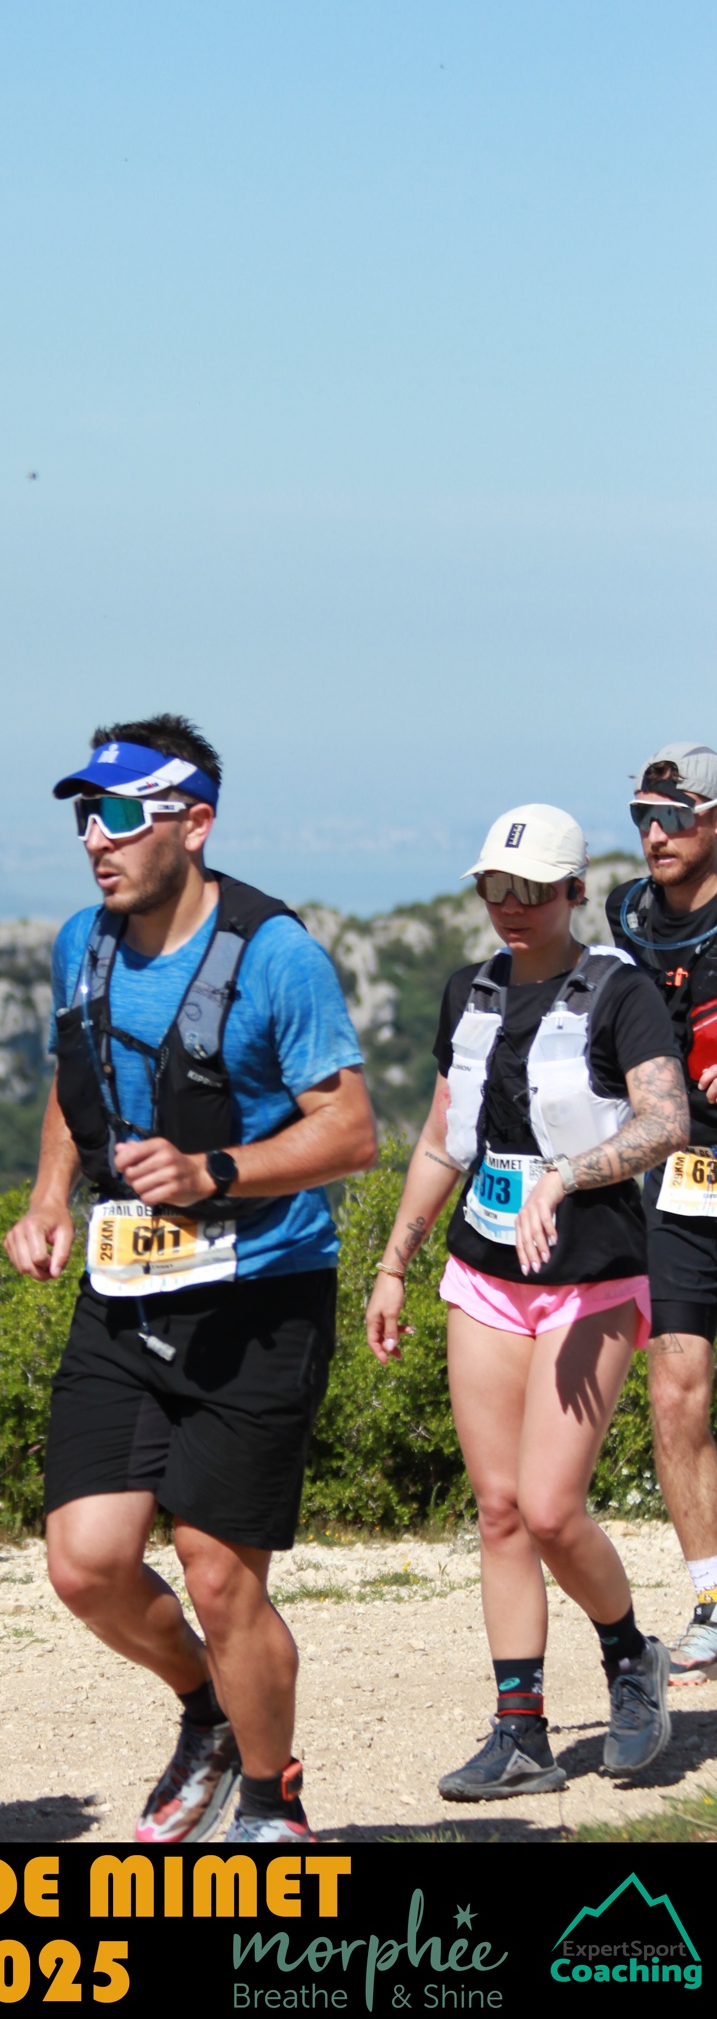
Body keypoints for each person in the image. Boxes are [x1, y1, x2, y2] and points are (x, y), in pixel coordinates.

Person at [4, 715, 376, 1845]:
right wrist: (47, 1198)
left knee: (219, 1575)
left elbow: (352, 1131)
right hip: (125, 1288)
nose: (94, 838)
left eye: (121, 814)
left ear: (195, 822)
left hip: (260, 1294)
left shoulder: (274, 954)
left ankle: (272, 1806)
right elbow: (76, 1081)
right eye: (86, 814)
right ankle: (209, 1708)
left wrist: (217, 1169)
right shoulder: (83, 942)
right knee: (86, 1564)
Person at [366, 805, 688, 1800]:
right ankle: (520, 1734)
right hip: (483, 1275)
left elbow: (665, 1119)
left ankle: (631, 1655)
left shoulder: (620, 992)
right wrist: (393, 1262)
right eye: (494, 888)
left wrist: (566, 1175)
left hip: (591, 1276)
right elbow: (440, 1140)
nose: (510, 906)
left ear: (574, 891)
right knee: (500, 1509)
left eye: (533, 890)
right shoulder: (468, 992)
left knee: (551, 1509)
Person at [605, 742, 717, 1682]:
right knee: (674, 1389)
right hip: (679, 1181)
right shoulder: (624, 915)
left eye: (675, 817)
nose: (655, 834)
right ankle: (714, 1604)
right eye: (644, 816)